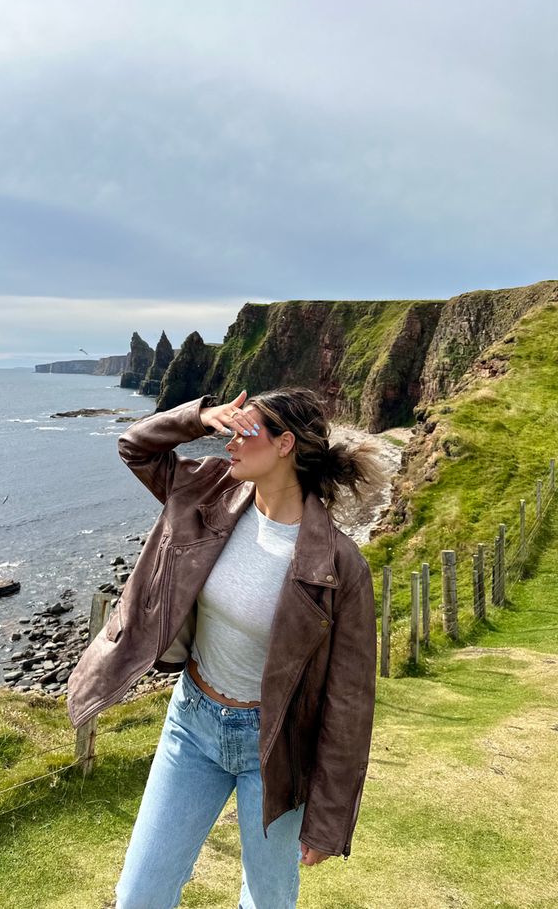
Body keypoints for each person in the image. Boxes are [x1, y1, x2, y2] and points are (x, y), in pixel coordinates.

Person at [67, 387, 386, 909]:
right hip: (192, 723)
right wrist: (198, 417)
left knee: (268, 900)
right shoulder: (204, 491)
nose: (229, 444)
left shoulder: (339, 564)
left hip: (275, 749)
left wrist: (328, 819)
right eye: (229, 431)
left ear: (284, 445)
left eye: (245, 431)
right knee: (139, 894)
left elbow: (349, 700)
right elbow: (135, 447)